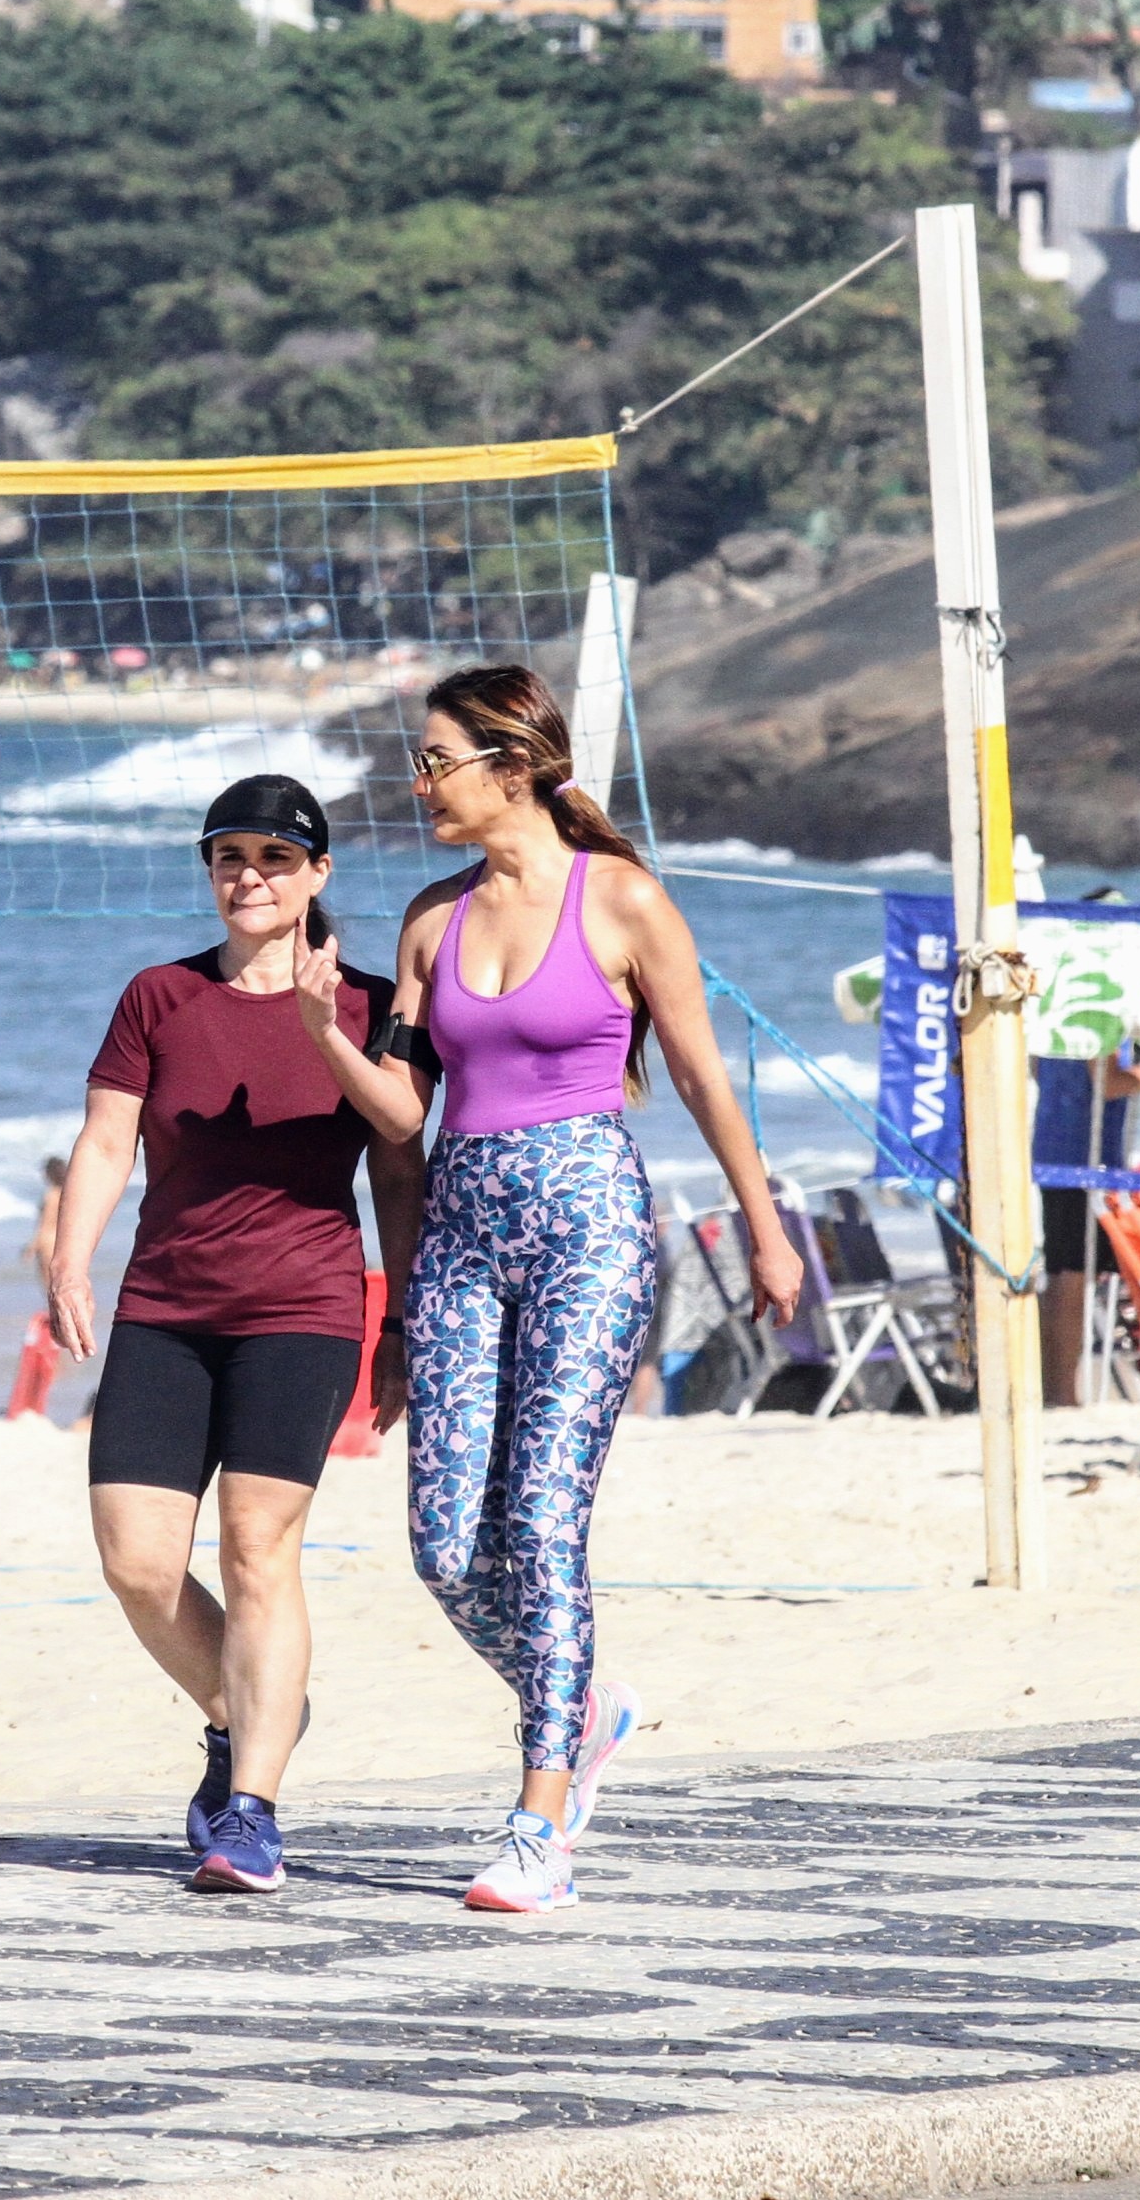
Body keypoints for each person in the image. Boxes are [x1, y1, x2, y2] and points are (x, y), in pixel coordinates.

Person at [299, 665, 803, 1916]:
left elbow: (699, 1078)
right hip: (465, 1237)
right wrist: (324, 1039)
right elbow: (405, 1122)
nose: (418, 784)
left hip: (588, 1225)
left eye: (435, 762)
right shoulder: (430, 922)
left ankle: (541, 1816)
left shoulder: (623, 900)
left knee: (538, 1522)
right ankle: (584, 1703)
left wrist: (765, 1229)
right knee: (441, 1540)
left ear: (511, 766)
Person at [48, 775, 427, 1897]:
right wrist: (72, 1256)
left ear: (317, 874)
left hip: (302, 1311)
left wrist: (399, 1317)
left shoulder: (369, 1002)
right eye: (227, 857)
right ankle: (254, 1711)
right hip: (166, 1305)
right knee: (136, 1561)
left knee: (259, 1551)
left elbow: (402, 1156)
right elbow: (107, 1139)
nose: (247, 876)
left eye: (273, 856)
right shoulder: (158, 996)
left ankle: (252, 1807)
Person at [1033, 989, 1140, 1408]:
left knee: (1065, 1273)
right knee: (1073, 1275)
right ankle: (1061, 1392)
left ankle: (1054, 1387)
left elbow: (1037, 1070)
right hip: (1082, 1157)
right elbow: (1109, 1084)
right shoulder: (1096, 1017)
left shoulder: (1059, 1011)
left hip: (1060, 1150)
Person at [5, 1155, 73, 1421]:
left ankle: (54, 1341)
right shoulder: (67, 1192)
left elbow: (44, 1227)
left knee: (49, 1295)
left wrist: (29, 1249)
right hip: (59, 1243)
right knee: (55, 1294)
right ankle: (59, 1337)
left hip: (46, 1245)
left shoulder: (52, 1195)